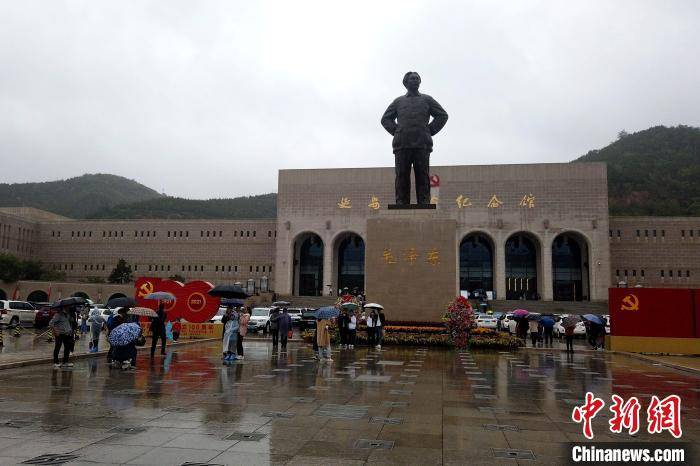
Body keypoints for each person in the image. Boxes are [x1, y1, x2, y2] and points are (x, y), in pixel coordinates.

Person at [381, 71, 448, 205]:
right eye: (412, 79)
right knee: (401, 176)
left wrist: (429, 130)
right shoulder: (398, 101)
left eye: (417, 78)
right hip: (402, 144)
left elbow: (442, 115)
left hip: (422, 143)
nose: (416, 80)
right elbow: (385, 119)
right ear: (406, 83)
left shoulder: (427, 99)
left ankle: (424, 202)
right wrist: (397, 131)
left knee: (422, 175)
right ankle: (401, 202)